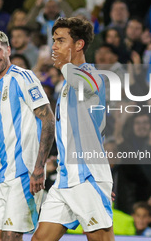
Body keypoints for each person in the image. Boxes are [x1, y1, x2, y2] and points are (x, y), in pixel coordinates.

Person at [32, 17, 114, 241]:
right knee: (40, 238)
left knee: (100, 238)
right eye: (53, 40)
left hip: (86, 176)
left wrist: (98, 180)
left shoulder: (93, 77)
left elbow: (81, 81)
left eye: (60, 40)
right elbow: (99, 131)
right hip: (66, 177)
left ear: (78, 45)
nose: (54, 46)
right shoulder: (67, 84)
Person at [0, 28, 55, 241]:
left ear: (8, 49)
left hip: (25, 173)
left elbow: (48, 119)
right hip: (2, 176)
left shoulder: (23, 77)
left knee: (11, 236)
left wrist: (39, 168)